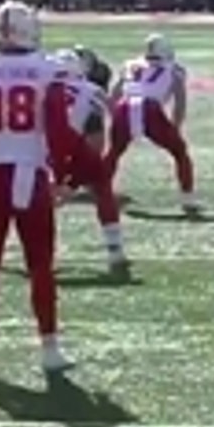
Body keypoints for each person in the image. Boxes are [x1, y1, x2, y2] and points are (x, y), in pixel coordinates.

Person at [0, 1, 80, 373]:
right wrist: (64, 175)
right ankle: (49, 349)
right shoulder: (47, 70)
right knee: (40, 265)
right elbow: (57, 130)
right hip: (30, 173)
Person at [104, 33, 200, 214]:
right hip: (150, 109)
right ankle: (187, 198)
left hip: (125, 107)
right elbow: (180, 102)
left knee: (114, 152)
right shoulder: (175, 69)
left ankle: (103, 193)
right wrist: (176, 126)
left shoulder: (130, 66)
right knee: (180, 152)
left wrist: (115, 118)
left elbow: (114, 96)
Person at [54, 49, 130, 275]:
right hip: (76, 144)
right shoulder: (92, 89)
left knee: (30, 199)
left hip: (45, 146)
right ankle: (115, 247)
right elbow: (114, 114)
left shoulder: (39, 87)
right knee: (102, 190)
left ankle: (37, 251)